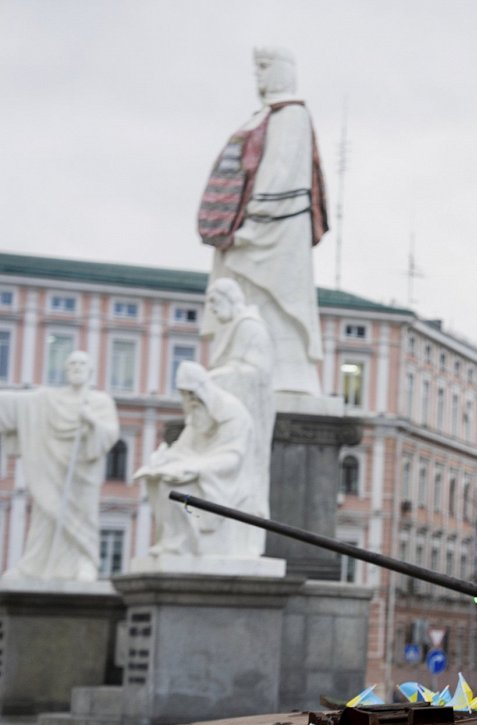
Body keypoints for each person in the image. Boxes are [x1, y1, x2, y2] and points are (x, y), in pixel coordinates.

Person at [198, 46, 328, 398]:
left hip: (274, 233)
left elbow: (282, 173)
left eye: (265, 67)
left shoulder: (293, 116)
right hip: (246, 230)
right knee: (244, 298)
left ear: (283, 70)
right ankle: (240, 364)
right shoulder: (263, 117)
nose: (258, 74)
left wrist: (252, 225)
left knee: (275, 301)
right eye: (256, 68)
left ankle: (285, 375)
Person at [0, 351, 119, 581]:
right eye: (72, 363)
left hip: (83, 472)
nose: (77, 367)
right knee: (46, 514)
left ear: (91, 370)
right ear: (65, 370)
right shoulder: (47, 399)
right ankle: (34, 566)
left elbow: (111, 434)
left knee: (84, 516)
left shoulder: (100, 401)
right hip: (50, 468)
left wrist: (91, 420)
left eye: (82, 363)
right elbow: (12, 404)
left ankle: (84, 562)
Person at [134, 362, 262, 558]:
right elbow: (183, 448)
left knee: (175, 488)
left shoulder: (232, 412)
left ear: (204, 390)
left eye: (192, 393)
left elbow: (233, 457)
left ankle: (182, 545)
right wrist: (162, 460)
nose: (189, 399)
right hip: (202, 472)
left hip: (228, 480)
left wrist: (195, 467)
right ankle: (172, 542)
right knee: (159, 481)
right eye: (185, 394)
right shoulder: (198, 413)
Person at [205, 277, 275, 519]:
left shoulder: (250, 326)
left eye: (214, 301)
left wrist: (211, 381)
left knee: (244, 471)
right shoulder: (234, 327)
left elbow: (254, 372)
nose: (211, 308)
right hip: (231, 412)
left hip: (248, 412)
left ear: (230, 298)